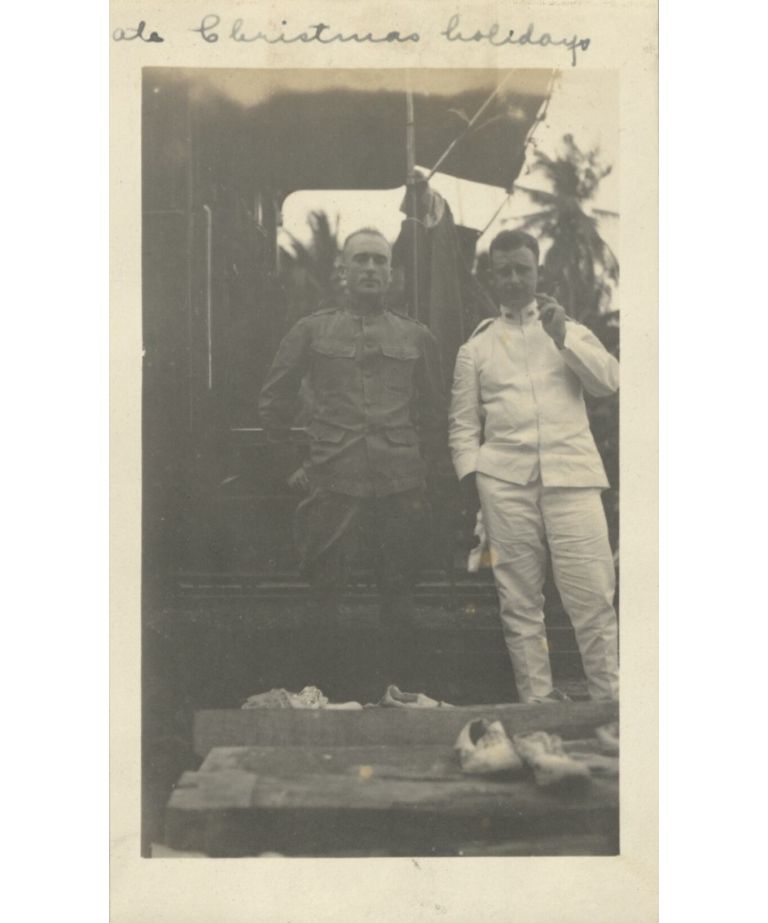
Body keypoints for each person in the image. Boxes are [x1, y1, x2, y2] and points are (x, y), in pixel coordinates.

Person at [259, 228, 446, 694]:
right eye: (360, 259)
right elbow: (273, 401)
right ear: (342, 270)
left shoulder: (416, 336)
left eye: (379, 261)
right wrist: (289, 465)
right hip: (333, 480)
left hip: (399, 484)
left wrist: (421, 467)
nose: (370, 268)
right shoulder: (311, 330)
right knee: (324, 596)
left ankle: (402, 696)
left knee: (399, 596)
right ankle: (323, 697)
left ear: (392, 273)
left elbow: (436, 412)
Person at [449, 230, 619, 704]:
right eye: (503, 271)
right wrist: (476, 483)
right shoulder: (477, 347)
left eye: (522, 269)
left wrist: (563, 338)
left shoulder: (569, 330)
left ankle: (610, 707)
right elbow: (463, 426)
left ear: (538, 271)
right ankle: (537, 709)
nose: (513, 279)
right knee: (520, 603)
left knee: (593, 598)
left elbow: (608, 382)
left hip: (573, 480)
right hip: (504, 485)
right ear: (490, 277)